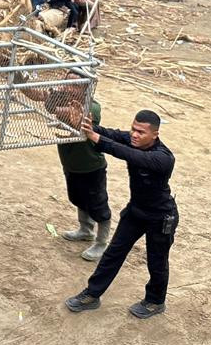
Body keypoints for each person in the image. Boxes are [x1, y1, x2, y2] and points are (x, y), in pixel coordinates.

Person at [65, 109, 178, 320]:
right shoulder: (132, 139)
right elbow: (110, 135)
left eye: (141, 132)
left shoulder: (163, 158)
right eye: (133, 129)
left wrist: (96, 138)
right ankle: (92, 295)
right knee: (113, 253)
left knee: (157, 261)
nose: (134, 135)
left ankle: (155, 301)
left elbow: (126, 153)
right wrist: (87, 126)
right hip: (136, 211)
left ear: (155, 134)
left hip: (161, 217)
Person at [46, 75, 112, 262]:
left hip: (91, 166)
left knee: (98, 205)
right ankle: (86, 230)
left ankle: (101, 242)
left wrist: (52, 95)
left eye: (75, 84)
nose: (69, 87)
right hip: (71, 163)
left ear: (86, 87)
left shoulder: (92, 107)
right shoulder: (64, 98)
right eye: (68, 81)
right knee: (77, 198)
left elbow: (59, 111)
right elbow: (50, 106)